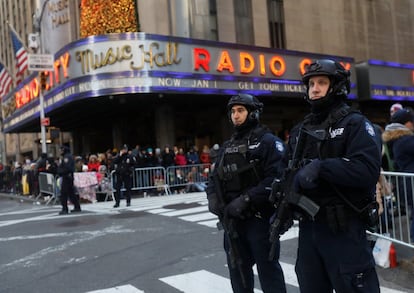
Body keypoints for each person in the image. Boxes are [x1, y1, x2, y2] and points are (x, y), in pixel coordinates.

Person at [281, 59, 381, 292]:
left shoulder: (354, 124)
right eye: (311, 83)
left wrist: (321, 168)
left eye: (322, 83)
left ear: (336, 86)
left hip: (344, 229)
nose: (314, 88)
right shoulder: (299, 131)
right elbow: (287, 172)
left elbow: (366, 170)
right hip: (309, 228)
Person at [206, 93, 287, 293]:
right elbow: (214, 177)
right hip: (233, 222)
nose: (236, 115)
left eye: (240, 110)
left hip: (259, 220)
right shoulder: (227, 146)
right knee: (239, 275)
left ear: (253, 113)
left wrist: (247, 199)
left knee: (269, 274)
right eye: (233, 111)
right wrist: (212, 198)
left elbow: (277, 179)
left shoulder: (268, 142)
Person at [382, 108, 414, 241]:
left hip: (405, 183)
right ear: (406, 124)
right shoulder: (405, 140)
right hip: (410, 183)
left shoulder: (395, 139)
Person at [57, 145, 81, 215]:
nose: (60, 151)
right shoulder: (67, 156)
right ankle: (77, 206)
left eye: (61, 150)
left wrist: (60, 171)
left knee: (64, 193)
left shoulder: (67, 157)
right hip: (68, 177)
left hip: (67, 177)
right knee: (71, 193)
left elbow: (67, 168)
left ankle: (65, 208)